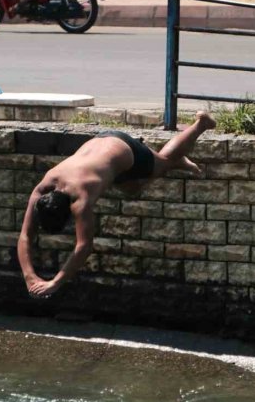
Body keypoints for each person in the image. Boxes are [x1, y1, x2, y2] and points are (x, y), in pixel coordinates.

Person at [17, 111, 217, 299]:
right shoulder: (42, 190)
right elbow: (25, 235)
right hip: (101, 144)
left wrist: (55, 283)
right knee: (133, 190)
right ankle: (175, 160)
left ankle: (200, 125)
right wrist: (29, 277)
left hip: (124, 149)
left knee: (163, 163)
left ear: (70, 211)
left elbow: (84, 246)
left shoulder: (80, 200)